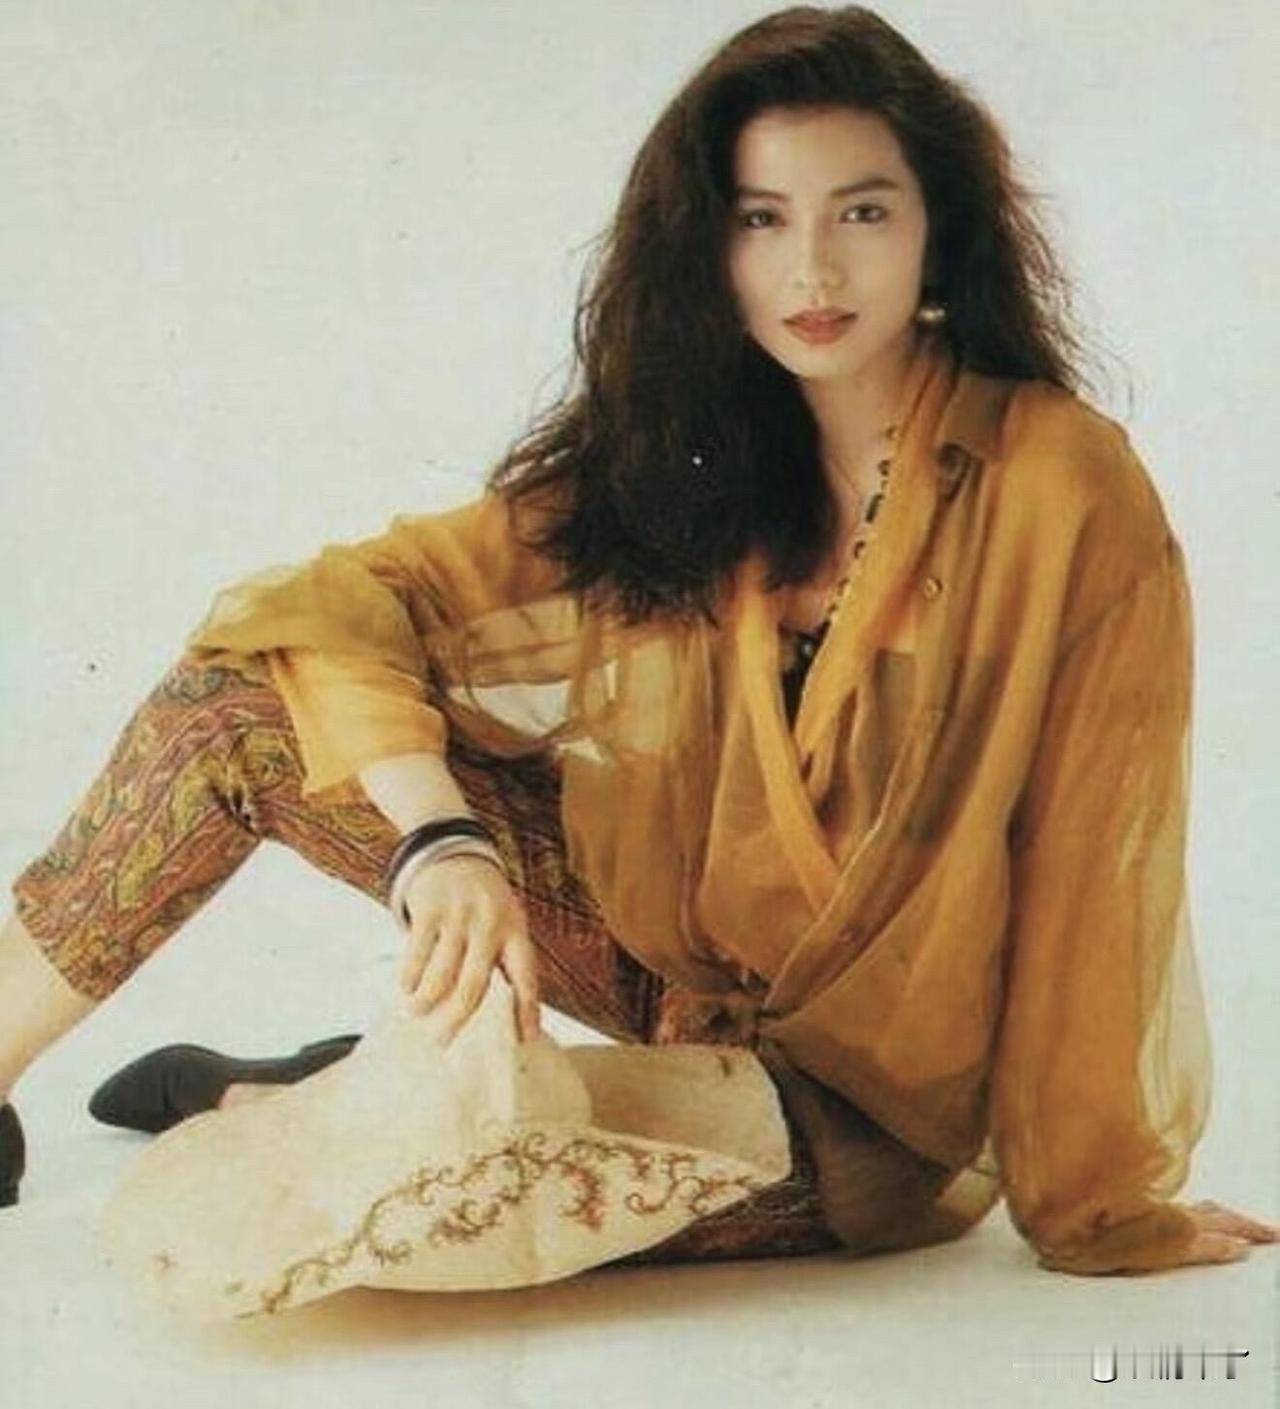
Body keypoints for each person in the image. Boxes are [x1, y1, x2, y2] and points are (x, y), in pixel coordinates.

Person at [2, 4, 1275, 1274]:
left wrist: (1095, 1202)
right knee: (231, 707)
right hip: (676, 975)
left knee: (427, 1204)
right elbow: (333, 601)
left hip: (859, 1110)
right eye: (760, 218)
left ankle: (280, 1094)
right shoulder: (690, 456)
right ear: (704, 244)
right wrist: (440, 839)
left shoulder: (1055, 481)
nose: (812, 272)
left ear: (936, 227)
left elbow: (1087, 858)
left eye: (861, 212)